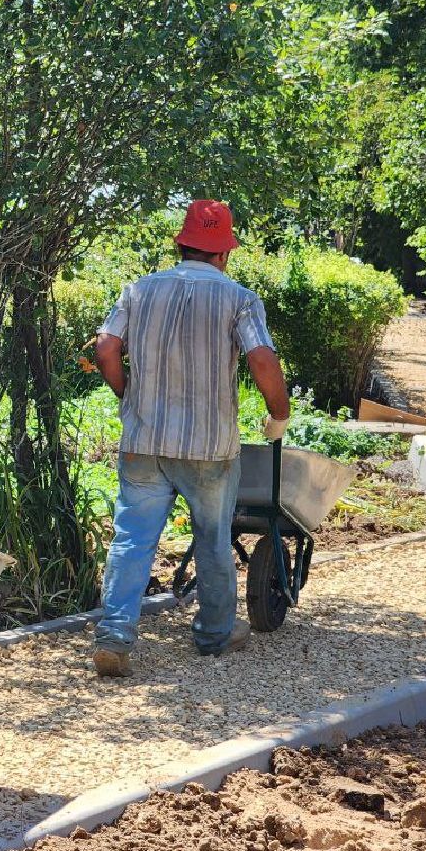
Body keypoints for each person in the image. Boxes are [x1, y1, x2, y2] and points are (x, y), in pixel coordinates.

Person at [90, 200, 291, 677]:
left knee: (132, 539)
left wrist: (126, 393)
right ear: (223, 253)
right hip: (208, 447)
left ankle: (115, 636)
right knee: (213, 538)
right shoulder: (239, 298)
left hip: (144, 442)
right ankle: (215, 634)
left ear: (181, 245)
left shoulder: (139, 290)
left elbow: (105, 347)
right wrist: (279, 413)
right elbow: (262, 359)